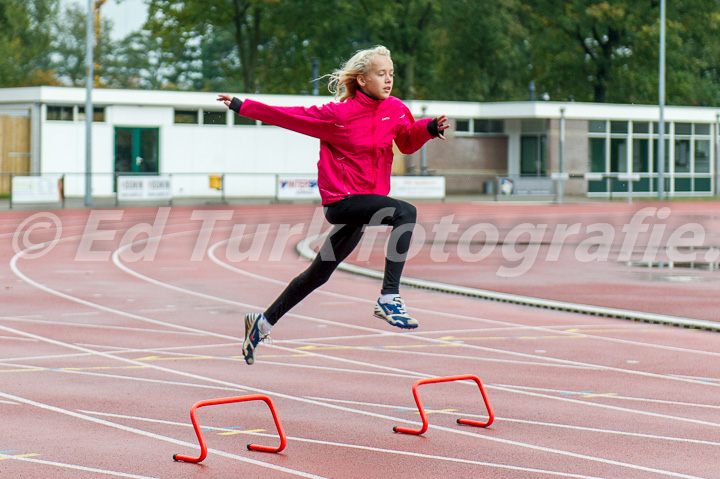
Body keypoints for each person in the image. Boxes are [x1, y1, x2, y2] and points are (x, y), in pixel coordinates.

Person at [217, 45, 449, 365]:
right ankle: (389, 297)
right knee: (405, 212)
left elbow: (407, 141)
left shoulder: (394, 109)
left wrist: (427, 129)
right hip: (342, 202)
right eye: (381, 74)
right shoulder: (337, 115)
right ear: (362, 80)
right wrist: (243, 106)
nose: (388, 80)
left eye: (391, 74)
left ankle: (262, 323)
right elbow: (288, 117)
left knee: (319, 273)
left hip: (366, 204)